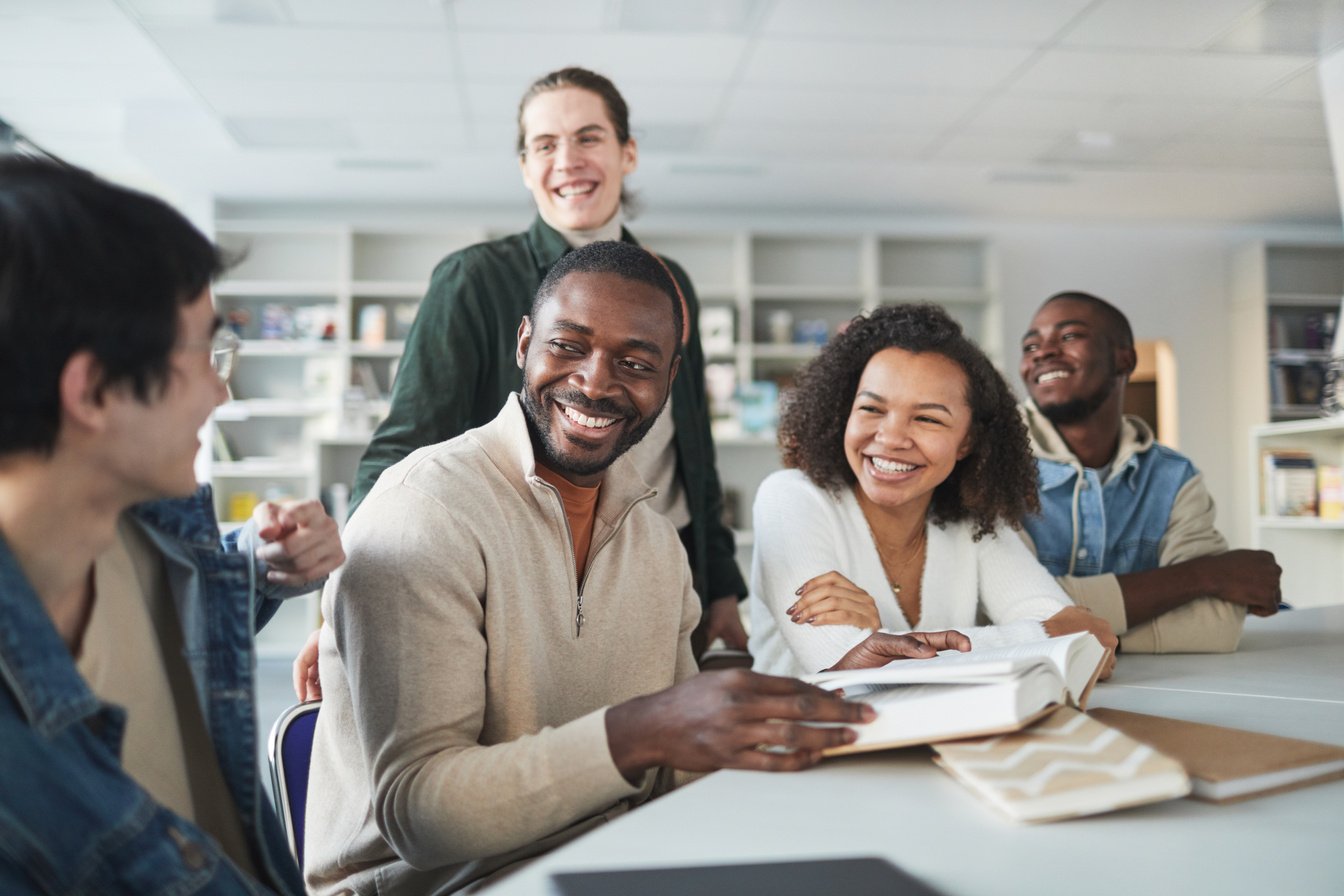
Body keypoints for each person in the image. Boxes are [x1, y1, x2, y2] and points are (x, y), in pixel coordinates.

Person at [304, 242, 968, 895]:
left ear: (669, 381)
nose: (595, 381)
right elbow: (421, 815)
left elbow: (669, 770)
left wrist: (831, 693)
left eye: (635, 361)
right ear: (524, 343)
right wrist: (639, 732)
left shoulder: (653, 542)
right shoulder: (423, 511)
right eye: (568, 346)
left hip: (613, 858)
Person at [0, 157, 344, 894]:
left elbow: (169, 608)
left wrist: (257, 568)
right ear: (92, 390)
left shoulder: (142, 525)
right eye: (204, 354)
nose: (221, 390)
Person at [347, 66, 747, 656]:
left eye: (589, 138)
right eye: (545, 145)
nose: (568, 160)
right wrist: (346, 595)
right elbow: (404, 446)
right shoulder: (473, 280)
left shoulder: (671, 282)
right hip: (522, 569)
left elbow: (694, 452)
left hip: (665, 563)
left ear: (627, 153)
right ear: (525, 166)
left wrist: (721, 592)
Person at [749, 304, 1117, 678]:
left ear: (967, 441)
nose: (890, 438)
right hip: (798, 735)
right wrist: (1041, 637)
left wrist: (883, 644)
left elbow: (1087, 650)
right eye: (872, 409)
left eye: (927, 418)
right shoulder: (790, 498)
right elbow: (846, 670)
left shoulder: (972, 521)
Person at [1018, 291, 1282, 653]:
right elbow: (1001, 612)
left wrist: (1069, 638)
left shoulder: (1175, 479)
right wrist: (1206, 575)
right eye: (1030, 346)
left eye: (1068, 337)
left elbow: (1217, 626)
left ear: (1123, 359)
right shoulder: (991, 467)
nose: (1043, 353)